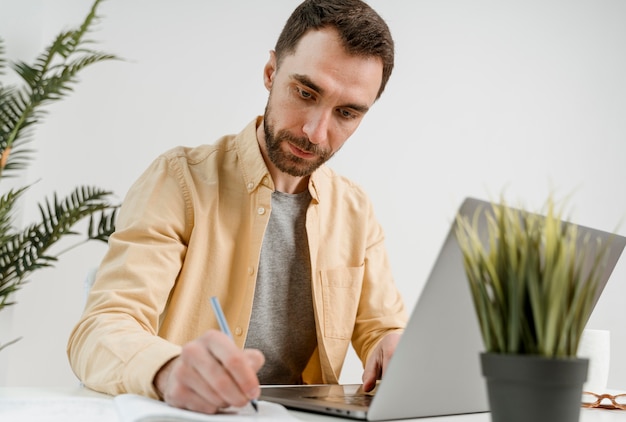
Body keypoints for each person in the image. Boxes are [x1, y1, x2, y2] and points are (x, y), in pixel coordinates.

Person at [67, 0, 407, 415]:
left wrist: (392, 346)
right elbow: (100, 329)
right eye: (305, 92)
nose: (315, 132)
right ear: (270, 73)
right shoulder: (178, 182)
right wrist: (169, 371)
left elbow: (383, 328)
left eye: (347, 113)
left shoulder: (354, 210)